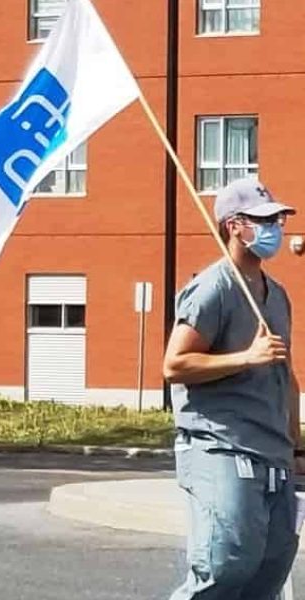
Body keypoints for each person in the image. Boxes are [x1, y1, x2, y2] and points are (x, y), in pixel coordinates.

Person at [163, 177, 304, 600]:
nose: (275, 227)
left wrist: (296, 447)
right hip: (221, 447)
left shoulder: (276, 295)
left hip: (273, 453)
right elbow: (175, 364)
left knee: (270, 570)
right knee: (224, 567)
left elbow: (287, 375)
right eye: (263, 220)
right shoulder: (212, 288)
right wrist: (245, 357)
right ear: (234, 225)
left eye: (277, 218)